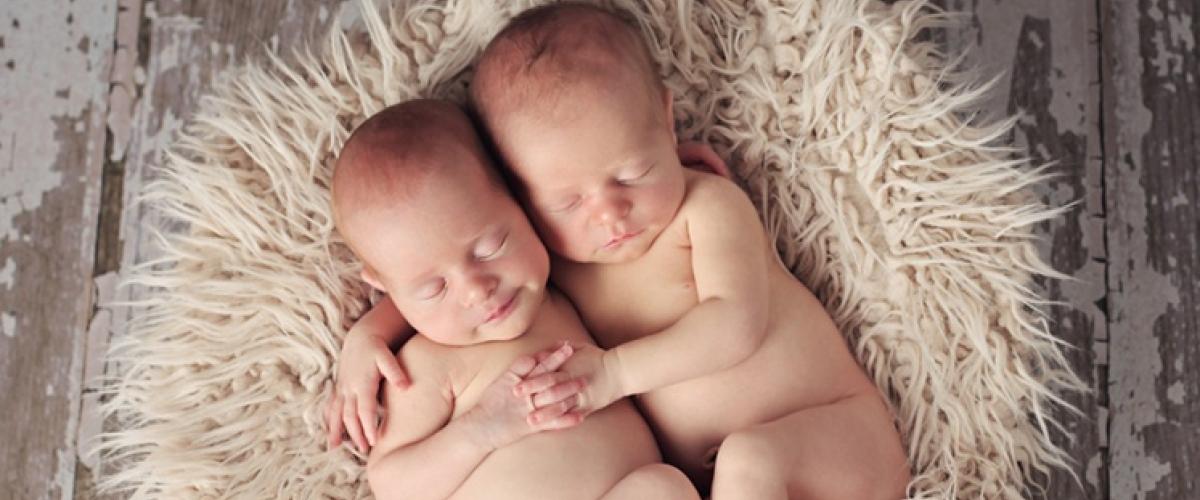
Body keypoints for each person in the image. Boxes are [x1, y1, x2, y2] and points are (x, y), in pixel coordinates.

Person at [465, 4, 912, 498]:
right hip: (724, 484)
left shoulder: (705, 208)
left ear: (666, 122)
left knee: (749, 457)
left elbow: (736, 324)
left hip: (838, 440)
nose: (612, 215)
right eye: (568, 202)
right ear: (520, 196)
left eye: (632, 174)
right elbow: (458, 270)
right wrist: (371, 337)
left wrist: (614, 374)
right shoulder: (554, 263)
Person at [330, 98, 697, 499]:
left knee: (665, 487)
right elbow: (393, 484)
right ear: (389, 288)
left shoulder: (558, 289)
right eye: (433, 288)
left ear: (522, 202)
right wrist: (481, 430)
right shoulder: (425, 362)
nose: (477, 289)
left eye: (491, 247)